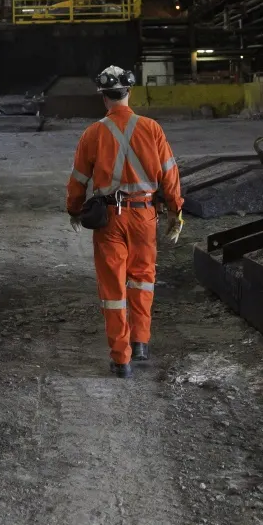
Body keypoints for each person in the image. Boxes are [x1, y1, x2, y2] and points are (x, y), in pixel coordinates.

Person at [65, 65, 183, 378]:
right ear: (129, 92)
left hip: (109, 219)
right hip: (145, 215)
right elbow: (169, 173)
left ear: (103, 97)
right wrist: (175, 210)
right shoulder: (152, 128)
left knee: (113, 287)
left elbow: (78, 180)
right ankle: (141, 340)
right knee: (143, 278)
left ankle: (121, 359)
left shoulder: (93, 133)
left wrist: (74, 210)